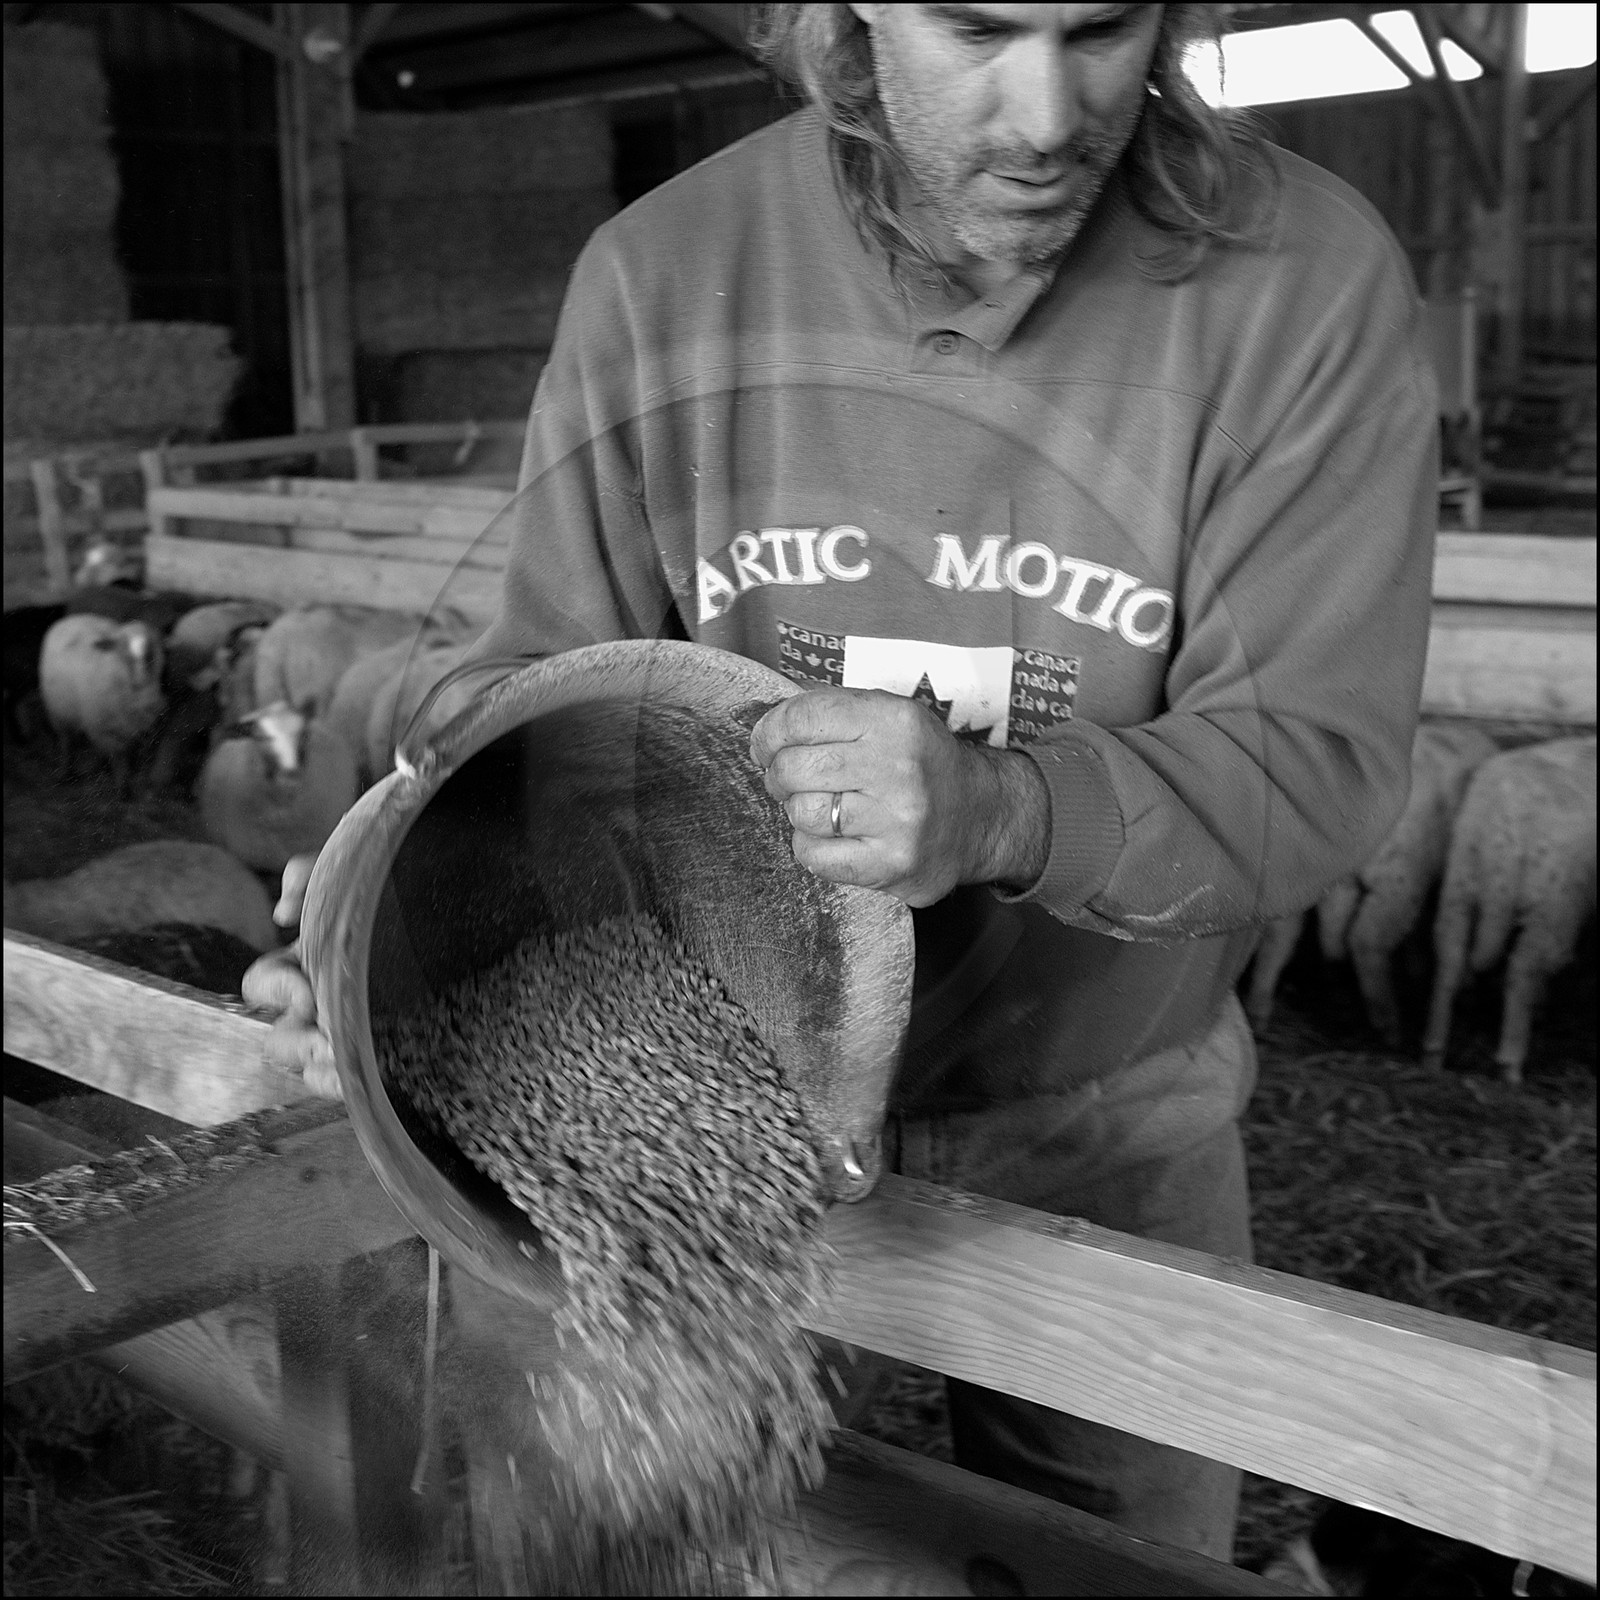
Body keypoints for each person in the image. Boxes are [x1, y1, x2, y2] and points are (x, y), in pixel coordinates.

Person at [245, 1, 1439, 1563]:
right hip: (692, 1114)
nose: (1047, 111)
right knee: (655, 1539)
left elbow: (1320, 754)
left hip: (1101, 1122)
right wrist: (377, 924)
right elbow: (530, 694)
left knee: (1121, 1569)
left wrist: (1006, 809)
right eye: (977, 29)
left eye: (1103, 28)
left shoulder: (1302, 285)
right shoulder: (668, 275)